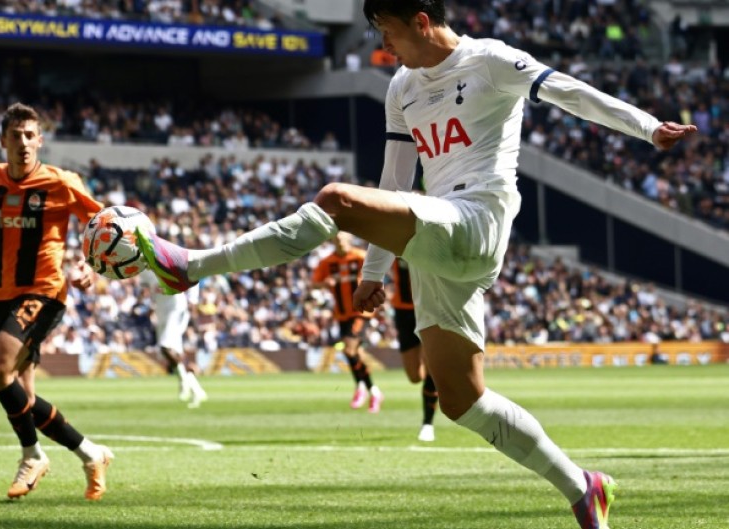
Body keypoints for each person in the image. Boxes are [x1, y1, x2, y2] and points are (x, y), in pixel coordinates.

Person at [134, 2, 697, 527]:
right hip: (434, 235)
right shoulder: (402, 86)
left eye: (387, 29)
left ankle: (190, 265)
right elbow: (396, 182)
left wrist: (649, 128)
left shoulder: (491, 60)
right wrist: (374, 272)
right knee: (461, 400)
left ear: (422, 21)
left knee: (335, 198)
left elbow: (569, 92)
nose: (383, 42)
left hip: (477, 219)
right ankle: (582, 486)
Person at [0, 102, 114, 501]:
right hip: (4, 293)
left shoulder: (62, 182)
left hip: (45, 290)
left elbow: (104, 224)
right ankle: (90, 453)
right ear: (3, 140)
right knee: (22, 395)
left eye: (30, 135)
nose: (23, 143)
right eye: (15, 135)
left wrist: (91, 265)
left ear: (40, 140)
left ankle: (32, 454)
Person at [311, 232, 383, 413]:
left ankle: (365, 389)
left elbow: (378, 275)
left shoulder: (360, 257)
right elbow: (314, 283)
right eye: (337, 239)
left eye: (344, 239)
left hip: (361, 312)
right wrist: (323, 284)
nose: (341, 242)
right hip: (342, 314)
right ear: (332, 241)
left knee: (349, 349)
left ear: (350, 240)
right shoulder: (327, 262)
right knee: (355, 353)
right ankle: (370, 390)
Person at [139, 269, 208, 408]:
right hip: (161, 311)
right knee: (172, 354)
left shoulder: (165, 259)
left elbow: (192, 274)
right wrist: (145, 300)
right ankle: (197, 390)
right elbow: (146, 287)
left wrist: (193, 300)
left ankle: (183, 381)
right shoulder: (143, 269)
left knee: (165, 347)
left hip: (176, 308)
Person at [389, 257, 436, 440]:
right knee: (414, 376)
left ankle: (427, 424)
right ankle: (433, 370)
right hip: (403, 312)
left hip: (429, 306)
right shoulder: (394, 241)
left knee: (431, 363)